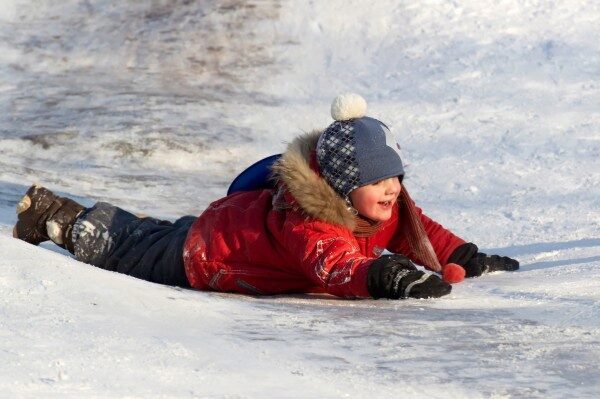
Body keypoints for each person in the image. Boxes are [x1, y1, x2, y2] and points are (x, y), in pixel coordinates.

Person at [13, 94, 519, 300]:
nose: (393, 190)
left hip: (230, 227)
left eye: (396, 178)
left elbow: (418, 229)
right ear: (343, 188)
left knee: (155, 232)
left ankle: (137, 224)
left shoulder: (381, 206)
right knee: (127, 248)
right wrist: (382, 277)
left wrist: (461, 256)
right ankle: (59, 218)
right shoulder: (310, 221)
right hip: (207, 254)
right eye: (379, 181)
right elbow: (332, 265)